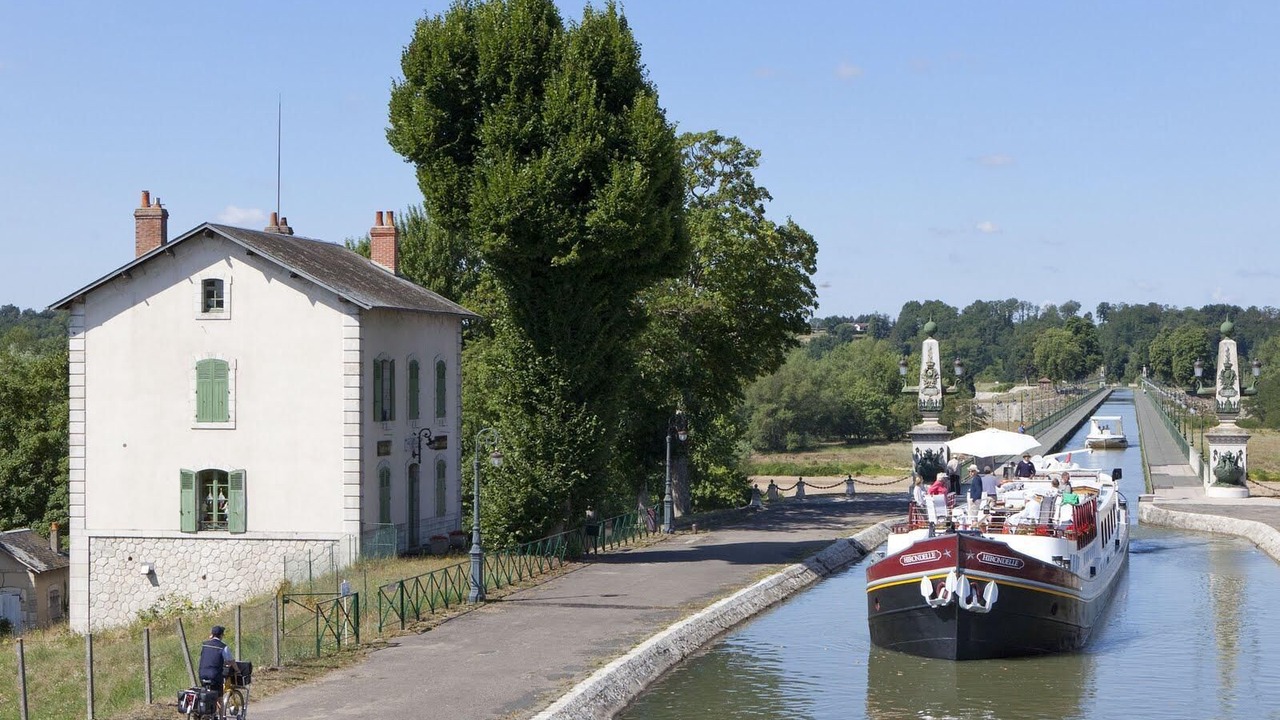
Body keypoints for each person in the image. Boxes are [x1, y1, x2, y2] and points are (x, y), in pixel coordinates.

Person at [198, 625, 236, 712]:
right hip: (214, 676)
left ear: (212, 634)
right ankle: (221, 717)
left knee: (207, 694)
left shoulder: (205, 645)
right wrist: (237, 670)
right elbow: (231, 661)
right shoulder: (223, 647)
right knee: (219, 697)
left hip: (202, 674)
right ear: (221, 635)